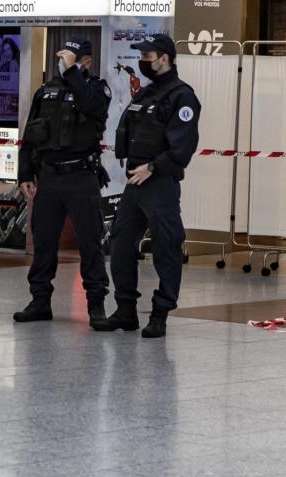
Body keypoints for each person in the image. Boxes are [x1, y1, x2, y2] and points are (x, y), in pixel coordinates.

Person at [95, 33, 201, 339]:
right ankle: (126, 310)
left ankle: (160, 313)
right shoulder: (146, 94)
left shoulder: (183, 97)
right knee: (120, 243)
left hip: (159, 183)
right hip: (134, 182)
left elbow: (184, 146)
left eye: (147, 57)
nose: (142, 62)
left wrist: (154, 167)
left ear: (164, 58)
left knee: (166, 246)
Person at [14, 39, 112, 327]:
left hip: (81, 177)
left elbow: (92, 107)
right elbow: (30, 135)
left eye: (70, 58)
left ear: (86, 62)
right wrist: (24, 175)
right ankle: (40, 300)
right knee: (43, 242)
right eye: (62, 57)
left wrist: (73, 73)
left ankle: (96, 304)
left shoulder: (96, 88)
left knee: (90, 243)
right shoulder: (45, 92)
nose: (63, 62)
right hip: (49, 178)